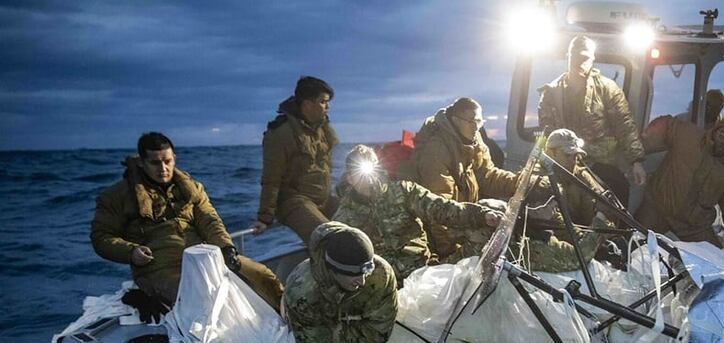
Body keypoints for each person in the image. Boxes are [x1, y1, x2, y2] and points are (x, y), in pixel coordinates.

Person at [91, 132, 284, 314]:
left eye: (167, 161)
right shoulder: (116, 196)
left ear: (174, 157)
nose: (163, 169)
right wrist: (131, 252)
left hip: (204, 257)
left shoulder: (192, 188)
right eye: (155, 163)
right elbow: (101, 237)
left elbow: (210, 220)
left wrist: (226, 248)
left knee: (263, 276)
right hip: (158, 267)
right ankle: (146, 295)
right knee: (200, 297)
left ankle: (291, 320)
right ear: (142, 163)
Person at [333, 145, 503, 283]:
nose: (367, 180)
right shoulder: (344, 217)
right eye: (358, 173)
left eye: (370, 171)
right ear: (349, 178)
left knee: (485, 235)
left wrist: (481, 215)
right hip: (384, 287)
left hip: (424, 273)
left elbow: (442, 209)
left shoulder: (404, 191)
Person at [282, 222, 397, 343]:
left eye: (365, 272)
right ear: (333, 270)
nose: (361, 281)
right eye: (353, 275)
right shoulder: (303, 292)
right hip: (311, 319)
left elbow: (380, 331)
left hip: (339, 320)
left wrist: (337, 330)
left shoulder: (380, 274)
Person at [397, 97, 523, 260]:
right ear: (456, 120)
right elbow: (439, 209)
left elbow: (488, 176)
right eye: (471, 121)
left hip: (461, 218)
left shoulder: (474, 142)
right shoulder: (436, 150)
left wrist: (519, 183)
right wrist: (451, 255)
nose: (476, 127)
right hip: (438, 233)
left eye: (479, 121)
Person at [537, 35, 646, 207]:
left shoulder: (607, 89)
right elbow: (545, 134)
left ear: (593, 59)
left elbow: (624, 125)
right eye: (576, 57)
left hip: (600, 163)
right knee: (546, 198)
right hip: (564, 164)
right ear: (568, 56)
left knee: (618, 191)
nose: (580, 62)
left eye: (585, 58)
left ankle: (616, 233)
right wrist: (539, 160)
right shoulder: (551, 93)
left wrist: (636, 161)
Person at [635, 115, 724, 250]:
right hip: (658, 206)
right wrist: (637, 151)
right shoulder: (689, 135)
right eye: (722, 135)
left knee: (716, 260)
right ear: (715, 131)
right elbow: (666, 125)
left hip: (692, 226)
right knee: (631, 240)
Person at [252, 76, 339, 242]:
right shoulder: (280, 133)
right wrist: (264, 218)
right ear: (307, 104)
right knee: (331, 239)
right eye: (323, 102)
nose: (328, 107)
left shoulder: (323, 128)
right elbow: (271, 178)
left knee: (361, 222)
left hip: (323, 199)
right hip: (294, 201)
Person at [521, 128, 613, 272]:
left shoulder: (580, 175)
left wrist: (606, 234)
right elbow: (562, 229)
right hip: (560, 249)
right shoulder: (539, 182)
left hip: (585, 241)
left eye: (576, 156)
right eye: (568, 155)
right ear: (551, 153)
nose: (573, 161)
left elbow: (601, 207)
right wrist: (593, 240)